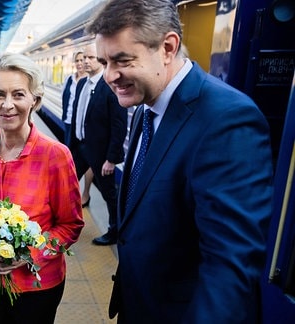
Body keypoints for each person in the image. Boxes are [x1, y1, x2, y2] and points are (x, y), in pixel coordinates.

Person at [88, 0, 274, 322]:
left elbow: (229, 264)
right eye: (103, 61)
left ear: (168, 47)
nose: (110, 75)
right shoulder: (147, 104)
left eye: (122, 60)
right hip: (140, 305)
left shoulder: (227, 120)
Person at [0, 52, 85, 323]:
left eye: (18, 94)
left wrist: (30, 254)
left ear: (34, 100)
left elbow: (70, 225)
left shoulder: (56, 155)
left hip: (38, 286)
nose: (7, 105)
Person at [69, 43, 127, 246]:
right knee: (65, 185)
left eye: (90, 58)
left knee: (109, 194)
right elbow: (78, 116)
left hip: (101, 153)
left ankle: (115, 231)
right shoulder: (83, 83)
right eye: (84, 58)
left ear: (100, 60)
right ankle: (61, 222)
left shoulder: (109, 86)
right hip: (80, 147)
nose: (85, 61)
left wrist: (111, 159)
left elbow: (119, 126)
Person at [61, 51, 92, 208]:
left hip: (84, 126)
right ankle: (70, 196)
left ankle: (85, 193)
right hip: (69, 122)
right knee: (70, 159)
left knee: (87, 161)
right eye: (78, 60)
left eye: (83, 59)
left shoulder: (90, 81)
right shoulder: (70, 79)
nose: (80, 62)